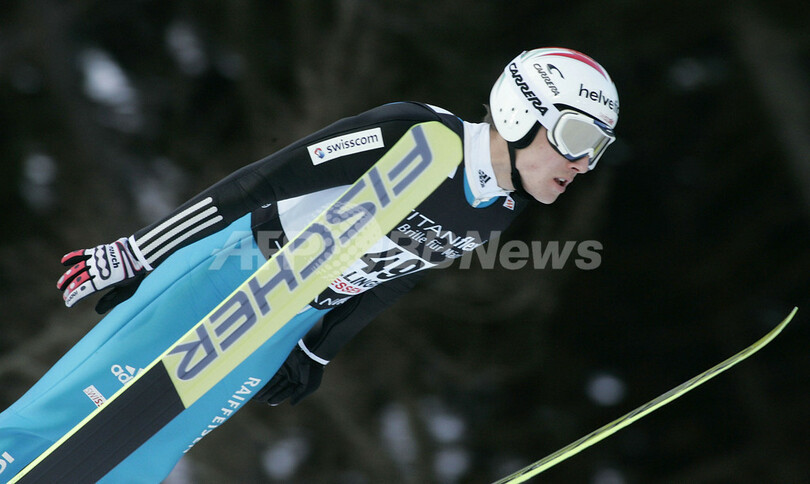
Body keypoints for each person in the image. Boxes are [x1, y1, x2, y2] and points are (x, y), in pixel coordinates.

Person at [0, 47, 619, 482]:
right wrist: (140, 250)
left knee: (151, 447)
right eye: (575, 139)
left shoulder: (496, 211)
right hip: (231, 273)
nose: (583, 164)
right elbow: (260, 182)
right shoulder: (418, 136)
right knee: (76, 405)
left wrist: (318, 348)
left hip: (283, 324)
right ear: (520, 113)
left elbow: (393, 280)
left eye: (598, 149)